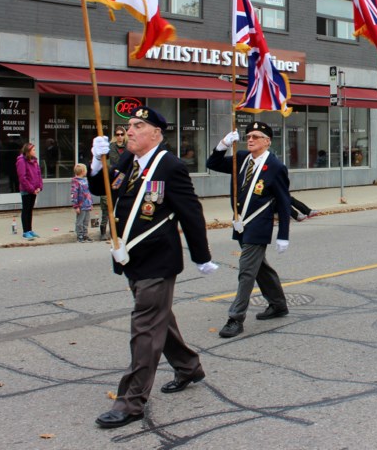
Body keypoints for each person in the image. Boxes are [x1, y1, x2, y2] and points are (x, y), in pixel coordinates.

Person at [89, 106, 217, 430]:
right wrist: (95, 163)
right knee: (161, 321)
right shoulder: (127, 161)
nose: (129, 131)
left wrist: (201, 255)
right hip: (133, 259)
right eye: (128, 126)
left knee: (145, 329)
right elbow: (102, 188)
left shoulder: (170, 166)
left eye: (138, 126)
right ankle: (188, 367)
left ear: (156, 134)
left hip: (158, 261)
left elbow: (190, 212)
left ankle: (131, 402)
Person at [207, 121, 291, 339]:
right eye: (248, 136)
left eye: (255, 136)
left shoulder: (275, 167)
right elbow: (212, 163)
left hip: (259, 225)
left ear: (267, 141)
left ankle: (235, 318)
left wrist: (283, 235)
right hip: (241, 223)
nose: (250, 139)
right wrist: (223, 144)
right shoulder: (242, 158)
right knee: (260, 268)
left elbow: (283, 203)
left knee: (246, 271)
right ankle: (278, 304)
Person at [99, 126, 129, 241]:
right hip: (111, 178)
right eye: (117, 134)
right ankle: (103, 231)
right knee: (107, 205)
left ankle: (120, 231)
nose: (120, 136)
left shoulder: (129, 147)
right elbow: (104, 162)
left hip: (124, 178)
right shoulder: (110, 147)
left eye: (122, 134)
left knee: (122, 206)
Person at [15, 142, 43, 240]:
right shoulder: (21, 161)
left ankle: (30, 230)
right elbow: (22, 177)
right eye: (33, 150)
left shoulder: (34, 160)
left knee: (30, 210)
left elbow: (38, 173)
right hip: (27, 190)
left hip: (34, 189)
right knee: (26, 209)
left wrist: (39, 186)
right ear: (28, 151)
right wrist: (31, 189)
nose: (35, 151)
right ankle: (25, 231)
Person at [70, 163, 93, 243]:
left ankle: (85, 234)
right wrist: (76, 206)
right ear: (83, 171)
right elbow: (74, 194)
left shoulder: (85, 181)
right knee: (80, 221)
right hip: (80, 205)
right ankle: (79, 235)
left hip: (87, 204)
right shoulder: (76, 182)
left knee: (86, 221)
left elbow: (88, 193)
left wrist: (90, 203)